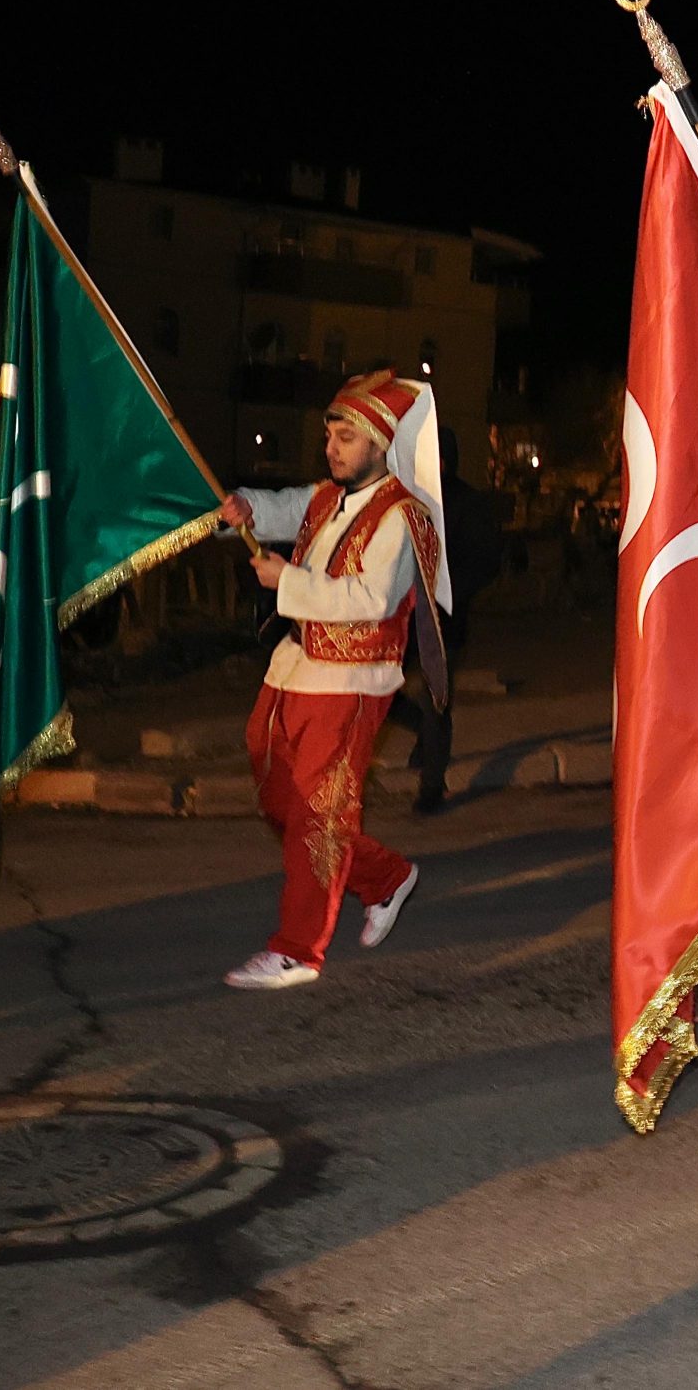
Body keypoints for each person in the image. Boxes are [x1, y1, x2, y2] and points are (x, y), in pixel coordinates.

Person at [215, 370, 450, 990]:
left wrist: (286, 582)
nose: (332, 448)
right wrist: (243, 506)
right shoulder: (326, 497)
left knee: (318, 817)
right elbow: (281, 507)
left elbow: (373, 599)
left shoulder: (404, 516)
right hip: (293, 669)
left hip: (351, 686)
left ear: (380, 442)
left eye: (346, 438)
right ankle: (386, 878)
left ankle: (298, 951)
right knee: (278, 796)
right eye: (329, 436)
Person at [386, 426, 504, 812]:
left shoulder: (467, 504)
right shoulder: (407, 500)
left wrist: (449, 592)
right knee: (380, 689)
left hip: (443, 623)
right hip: (402, 618)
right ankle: (423, 731)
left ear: (442, 460)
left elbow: (486, 562)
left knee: (436, 701)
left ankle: (431, 789)